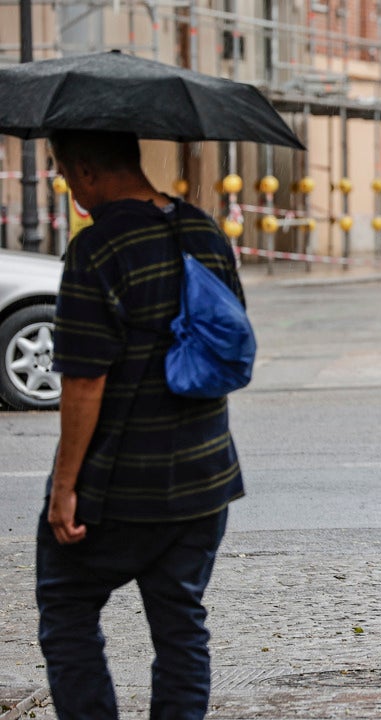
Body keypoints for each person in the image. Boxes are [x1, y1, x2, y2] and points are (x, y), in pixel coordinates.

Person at [37, 129, 246, 719]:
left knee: (66, 608)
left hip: (119, 486)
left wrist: (64, 489)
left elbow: (83, 380)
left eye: (67, 174)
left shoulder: (97, 246)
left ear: (87, 171)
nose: (71, 187)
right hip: (205, 477)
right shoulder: (204, 231)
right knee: (180, 625)